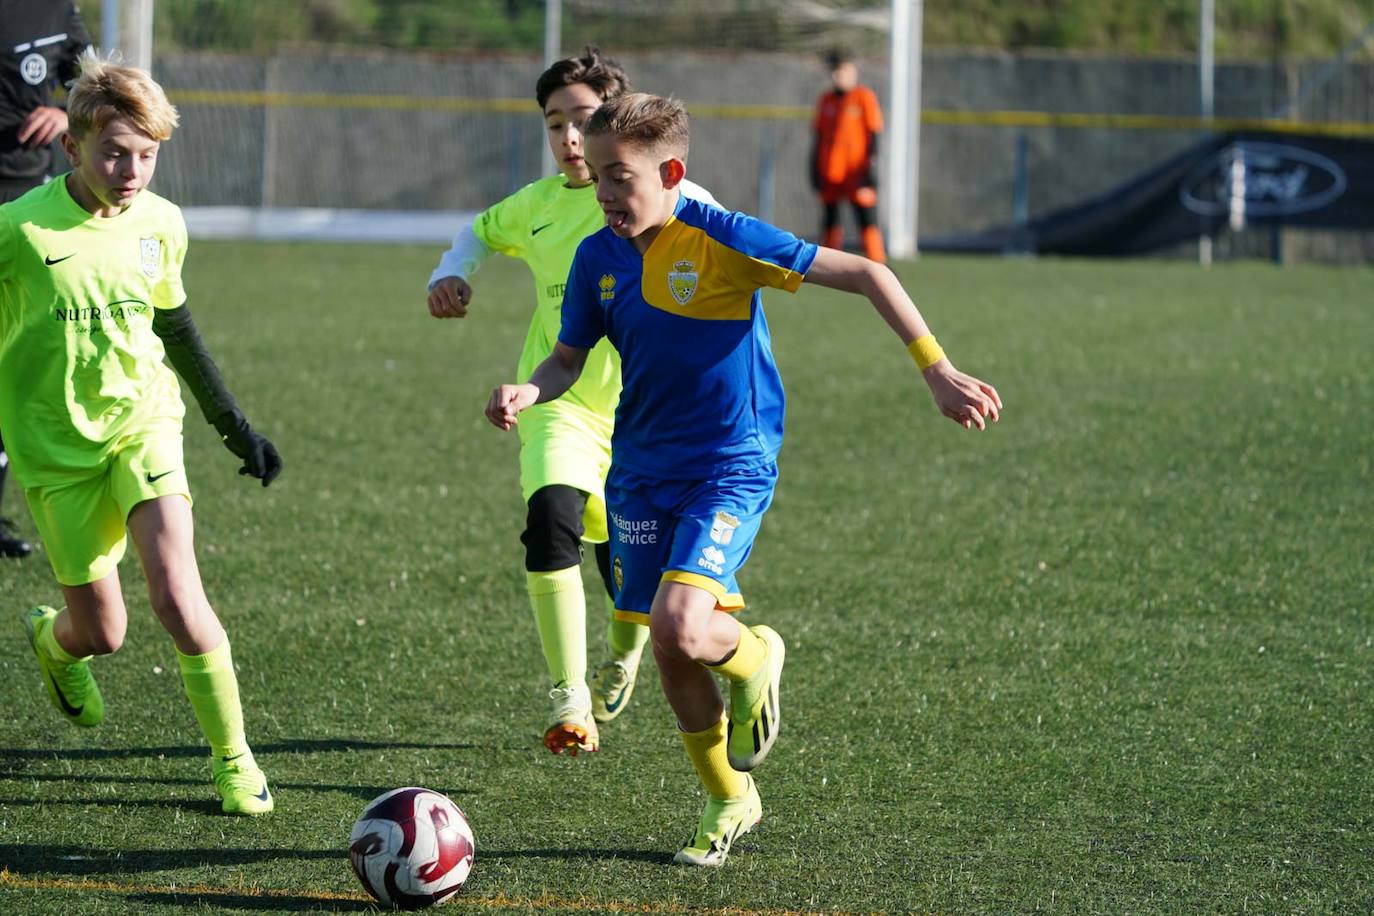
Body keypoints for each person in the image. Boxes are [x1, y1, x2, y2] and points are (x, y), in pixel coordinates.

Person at [486, 93, 1001, 865]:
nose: (603, 194)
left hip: (730, 463)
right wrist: (531, 388)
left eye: (619, 178)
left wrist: (939, 370)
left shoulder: (720, 238)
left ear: (671, 172)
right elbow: (567, 359)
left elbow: (866, 271)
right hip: (640, 471)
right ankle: (731, 799)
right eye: (595, 177)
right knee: (669, 649)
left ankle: (757, 657)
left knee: (683, 626)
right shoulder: (597, 256)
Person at [0, 53, 281, 815]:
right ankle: (56, 643)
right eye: (114, 152)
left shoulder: (162, 224)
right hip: (54, 450)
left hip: (143, 424)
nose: (131, 170)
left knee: (178, 595)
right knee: (105, 631)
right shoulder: (18, 231)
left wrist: (234, 426)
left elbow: (177, 329)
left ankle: (234, 761)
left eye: (147, 154)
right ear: (73, 149)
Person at [428, 48, 720, 756]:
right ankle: (569, 699)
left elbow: (735, 250)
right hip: (559, 401)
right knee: (551, 518)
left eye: (580, 121)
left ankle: (624, 651)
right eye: (554, 123)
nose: (566, 140)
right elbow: (477, 230)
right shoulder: (534, 206)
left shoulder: (683, 202)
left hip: (647, 418)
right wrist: (451, 273)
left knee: (628, 570)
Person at [0, 0, 92, 558]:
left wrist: (68, 115)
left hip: (27, 209)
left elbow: (97, 85)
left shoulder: (55, 8)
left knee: (18, 368)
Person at [811, 48, 886, 264]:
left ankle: (879, 264)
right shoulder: (825, 100)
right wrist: (814, 168)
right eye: (835, 71)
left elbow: (873, 135)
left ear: (853, 71)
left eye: (842, 70)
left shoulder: (863, 97)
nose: (838, 76)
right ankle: (828, 266)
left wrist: (870, 167)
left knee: (866, 217)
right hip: (831, 171)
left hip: (856, 172)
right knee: (830, 218)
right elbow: (818, 137)